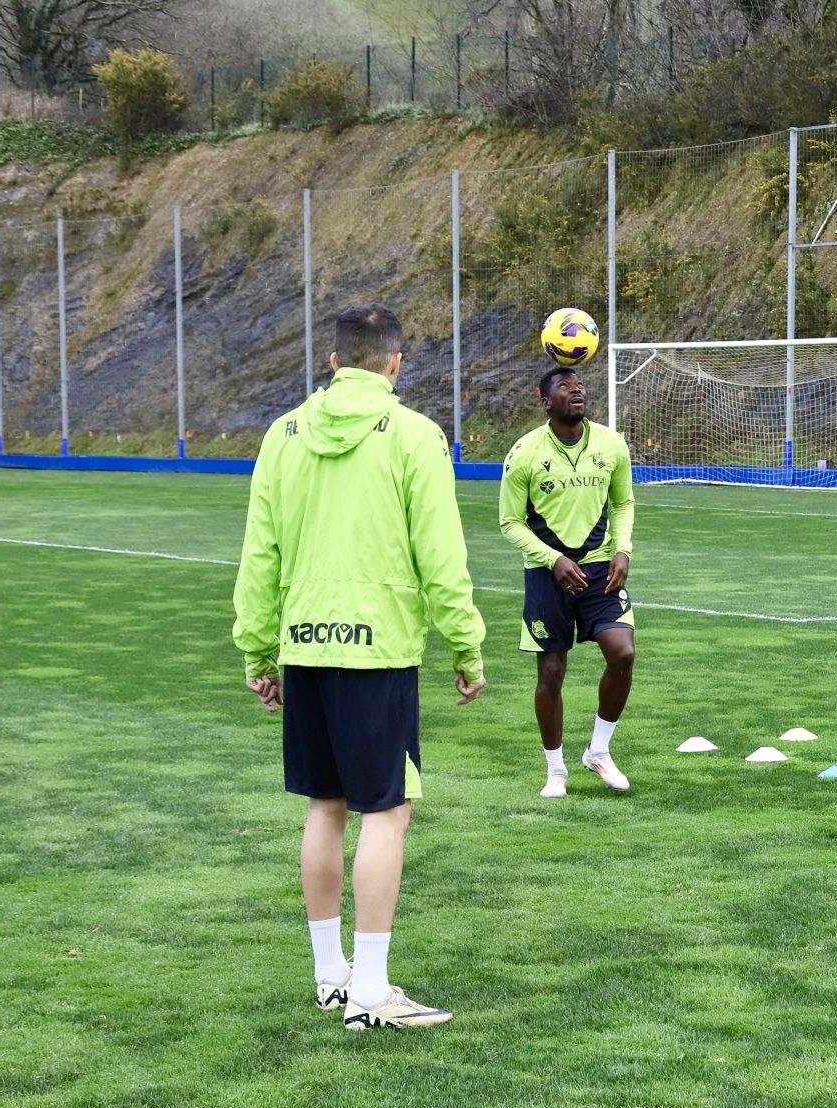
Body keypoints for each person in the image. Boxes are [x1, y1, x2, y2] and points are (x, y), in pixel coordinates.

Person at [232, 302, 486, 1032]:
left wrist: (258, 649)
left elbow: (260, 552)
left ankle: (330, 976)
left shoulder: (282, 434)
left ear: (335, 361)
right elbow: (441, 553)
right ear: (397, 363)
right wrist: (466, 645)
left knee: (325, 805)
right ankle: (370, 991)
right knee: (387, 810)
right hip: (376, 650)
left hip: (304, 642)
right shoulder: (415, 435)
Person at [498, 365, 636, 798]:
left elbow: (623, 502)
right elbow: (509, 522)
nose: (576, 391)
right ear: (545, 402)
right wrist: (553, 559)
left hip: (599, 569)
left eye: (579, 386)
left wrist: (622, 550)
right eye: (564, 387)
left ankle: (598, 751)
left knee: (623, 652)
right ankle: (555, 770)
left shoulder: (612, 444)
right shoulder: (524, 453)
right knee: (552, 673)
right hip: (546, 574)